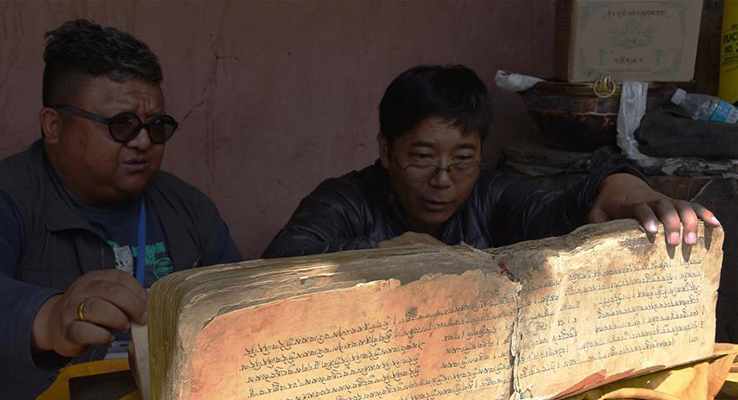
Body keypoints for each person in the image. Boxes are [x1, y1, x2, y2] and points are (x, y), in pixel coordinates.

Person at [0, 20, 241, 400]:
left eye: (156, 127)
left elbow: (238, 310)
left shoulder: (189, 208)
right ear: (54, 125)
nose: (142, 142)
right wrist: (50, 317)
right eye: (121, 125)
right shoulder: (4, 198)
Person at [263, 65, 720, 258]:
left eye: (463, 160)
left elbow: (565, 207)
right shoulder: (345, 199)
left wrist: (625, 187)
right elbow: (283, 257)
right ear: (386, 150)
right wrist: (384, 254)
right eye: (421, 158)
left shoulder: (491, 195)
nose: (443, 180)